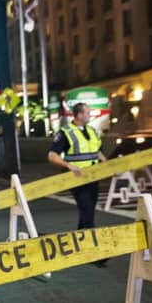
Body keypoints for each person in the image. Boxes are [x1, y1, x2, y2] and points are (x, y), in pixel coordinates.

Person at [47, 102, 108, 265]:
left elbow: (98, 152)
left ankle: (77, 247)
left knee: (87, 212)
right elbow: (52, 155)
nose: (90, 115)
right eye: (88, 112)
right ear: (79, 115)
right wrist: (68, 165)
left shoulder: (92, 131)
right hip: (77, 179)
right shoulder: (66, 132)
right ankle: (95, 253)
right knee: (87, 212)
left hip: (93, 178)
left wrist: (108, 165)